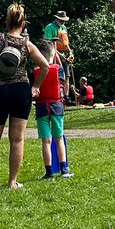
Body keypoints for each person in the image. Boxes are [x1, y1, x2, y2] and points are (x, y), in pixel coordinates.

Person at [0, 2, 50, 193]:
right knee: (17, 140)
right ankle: (12, 182)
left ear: (7, 21)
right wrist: (36, 86)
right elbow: (46, 66)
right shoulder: (27, 44)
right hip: (20, 90)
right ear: (23, 24)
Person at [34, 40, 71, 180]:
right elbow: (61, 83)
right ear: (52, 54)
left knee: (46, 141)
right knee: (59, 138)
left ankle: (49, 172)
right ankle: (64, 169)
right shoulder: (58, 69)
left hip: (42, 108)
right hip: (56, 107)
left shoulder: (37, 71)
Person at [44, 10, 73, 100]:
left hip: (65, 54)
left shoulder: (64, 28)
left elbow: (66, 42)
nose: (62, 22)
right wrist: (59, 55)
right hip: (53, 53)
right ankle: (58, 94)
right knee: (59, 75)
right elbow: (49, 44)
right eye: (61, 20)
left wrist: (70, 51)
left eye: (63, 20)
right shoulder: (50, 27)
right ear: (56, 18)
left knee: (67, 75)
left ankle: (66, 96)